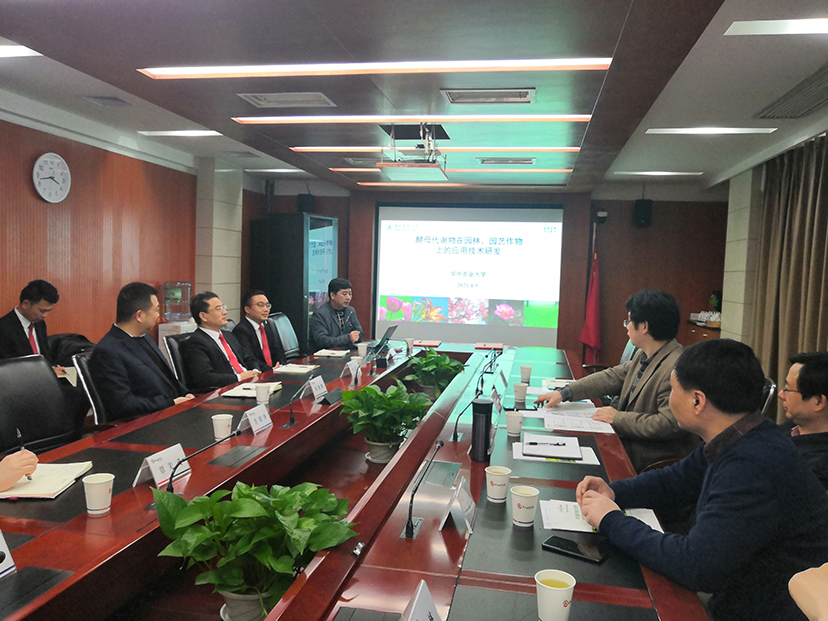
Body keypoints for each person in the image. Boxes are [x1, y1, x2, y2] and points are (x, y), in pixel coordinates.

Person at [577, 339, 828, 621]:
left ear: (697, 401)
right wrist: (614, 491)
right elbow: (676, 479)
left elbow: (696, 566)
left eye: (674, 389)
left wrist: (611, 520)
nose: (670, 399)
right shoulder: (743, 433)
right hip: (740, 590)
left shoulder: (751, 466)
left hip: (762, 609)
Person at [536, 289, 697, 471]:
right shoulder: (645, 354)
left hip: (648, 459)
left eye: (629, 321)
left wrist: (618, 418)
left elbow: (668, 424)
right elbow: (612, 376)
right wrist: (565, 393)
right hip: (625, 442)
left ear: (644, 326)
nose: (627, 327)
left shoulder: (676, 367)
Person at [90, 283, 194, 421]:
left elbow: (167, 378)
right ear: (139, 315)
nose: (158, 315)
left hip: (171, 413)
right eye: (156, 310)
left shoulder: (146, 337)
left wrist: (186, 394)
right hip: (144, 423)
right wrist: (170, 403)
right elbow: (123, 404)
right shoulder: (107, 351)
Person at [0, 279, 89, 428]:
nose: (45, 315)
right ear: (26, 304)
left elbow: (44, 355)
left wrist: (52, 368)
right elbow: (8, 369)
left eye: (48, 311)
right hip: (20, 386)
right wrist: (46, 373)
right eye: (42, 311)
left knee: (83, 389)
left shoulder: (39, 324)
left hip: (44, 379)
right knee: (72, 395)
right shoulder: (4, 328)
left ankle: (72, 435)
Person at [181, 291, 260, 391]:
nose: (225, 312)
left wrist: (255, 371)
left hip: (248, 384)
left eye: (223, 307)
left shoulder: (228, 335)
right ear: (203, 316)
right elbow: (205, 378)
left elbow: (248, 358)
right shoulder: (196, 343)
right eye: (218, 309)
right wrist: (239, 377)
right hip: (227, 390)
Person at [778, 352, 828, 490]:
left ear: (818, 402)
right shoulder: (795, 424)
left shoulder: (815, 470)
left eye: (788, 389)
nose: (781, 395)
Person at [232, 290, 286, 370]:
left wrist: (281, 366)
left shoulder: (269, 324)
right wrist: (271, 370)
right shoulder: (241, 330)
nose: (266, 309)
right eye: (261, 305)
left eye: (267, 305)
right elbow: (249, 360)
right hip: (259, 373)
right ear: (247, 309)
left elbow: (279, 352)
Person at [309, 278, 363, 350]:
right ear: (332, 295)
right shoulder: (320, 314)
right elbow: (322, 340)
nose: (348, 298)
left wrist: (356, 336)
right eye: (344, 294)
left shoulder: (350, 311)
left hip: (345, 352)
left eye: (350, 294)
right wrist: (348, 338)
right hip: (325, 355)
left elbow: (359, 333)